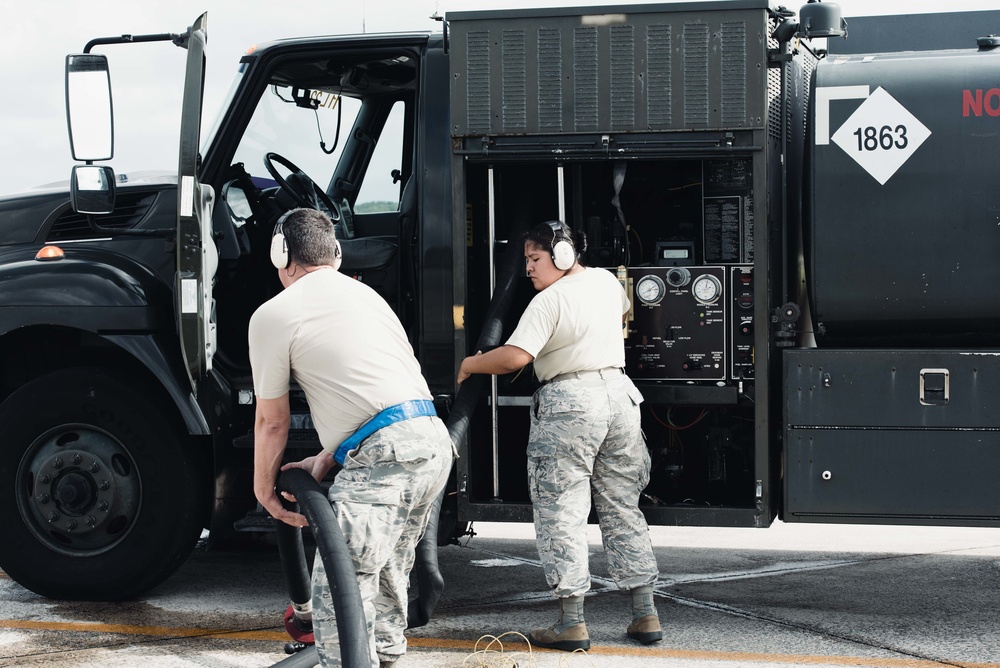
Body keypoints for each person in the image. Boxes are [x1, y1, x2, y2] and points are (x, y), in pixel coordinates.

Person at [249, 207, 455, 668]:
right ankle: (383, 662)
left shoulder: (275, 314)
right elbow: (378, 392)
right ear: (336, 253)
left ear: (279, 253)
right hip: (431, 444)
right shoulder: (366, 297)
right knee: (386, 579)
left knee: (341, 588)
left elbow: (272, 422)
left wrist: (264, 488)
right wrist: (327, 456)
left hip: (385, 454)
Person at [458, 220, 662, 651]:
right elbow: (624, 313)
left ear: (564, 256)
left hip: (571, 402)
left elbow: (514, 357)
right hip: (621, 398)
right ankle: (645, 615)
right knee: (623, 506)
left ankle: (572, 622)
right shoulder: (606, 282)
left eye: (535, 259)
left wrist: (469, 365)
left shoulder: (548, 301)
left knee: (562, 511)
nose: (528, 269)